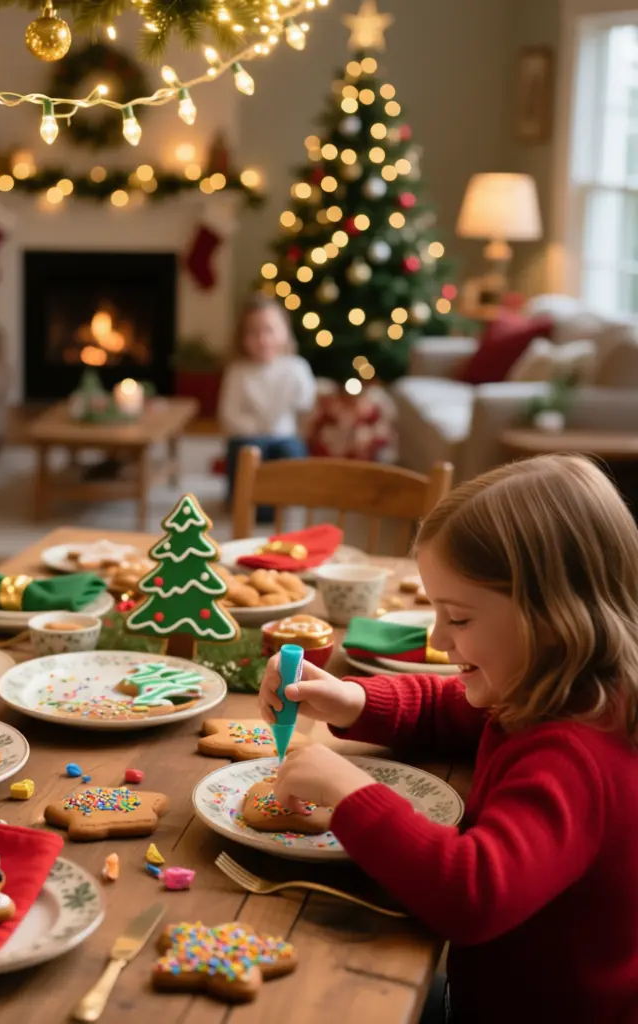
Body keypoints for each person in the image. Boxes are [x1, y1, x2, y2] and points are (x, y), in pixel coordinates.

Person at [259, 455, 638, 1023]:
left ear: (553, 620)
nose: (438, 639)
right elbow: (455, 710)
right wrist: (355, 700)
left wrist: (350, 790)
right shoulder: (556, 688)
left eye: (458, 619)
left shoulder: (574, 753)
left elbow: (473, 894)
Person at [217, 295, 316, 520]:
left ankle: (286, 501)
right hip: (248, 436)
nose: (262, 339)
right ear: (242, 337)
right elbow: (229, 415)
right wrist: (260, 427)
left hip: (284, 436)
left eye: (269, 330)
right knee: (247, 451)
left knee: (290, 451)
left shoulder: (296, 367)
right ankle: (245, 501)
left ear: (284, 332)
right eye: (253, 332)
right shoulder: (238, 371)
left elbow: (306, 407)